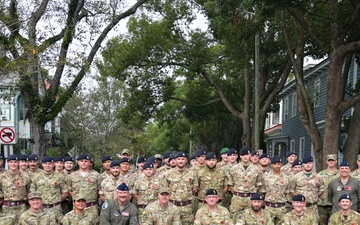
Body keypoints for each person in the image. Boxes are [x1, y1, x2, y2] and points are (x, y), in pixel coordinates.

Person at [162, 151, 198, 225]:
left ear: (186, 160)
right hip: (172, 206)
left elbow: (195, 188)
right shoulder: (168, 174)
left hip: (187, 207)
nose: (181, 161)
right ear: (175, 160)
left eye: (182, 159)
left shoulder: (192, 173)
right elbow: (164, 190)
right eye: (178, 159)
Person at [30, 156, 68, 223]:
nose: (47, 165)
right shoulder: (36, 177)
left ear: (53, 165)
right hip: (41, 208)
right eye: (45, 163)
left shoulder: (59, 177)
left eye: (49, 163)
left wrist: (57, 201)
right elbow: (32, 192)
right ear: (42, 164)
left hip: (55, 208)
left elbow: (65, 192)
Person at [228, 146, 263, 217]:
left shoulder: (257, 169)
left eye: (247, 155)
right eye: (243, 155)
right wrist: (236, 193)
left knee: (250, 218)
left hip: (250, 198)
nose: (245, 157)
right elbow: (230, 184)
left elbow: (259, 183)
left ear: (250, 155)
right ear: (240, 156)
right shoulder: (234, 169)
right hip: (237, 198)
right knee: (234, 218)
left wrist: (253, 192)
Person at [289, 155, 324, 221]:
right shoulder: (296, 177)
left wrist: (314, 196)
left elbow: (321, 190)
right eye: (306, 163)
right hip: (300, 207)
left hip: (313, 207)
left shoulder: (318, 177)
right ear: (303, 165)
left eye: (310, 163)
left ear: (313, 164)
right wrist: (298, 198)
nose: (308, 165)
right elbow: (291, 191)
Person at [68, 154, 101, 223]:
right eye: (81, 161)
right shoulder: (72, 175)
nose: (83, 163)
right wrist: (76, 199)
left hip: (91, 207)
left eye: (86, 161)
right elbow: (70, 189)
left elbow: (99, 190)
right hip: (77, 207)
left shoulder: (96, 175)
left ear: (89, 163)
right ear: (78, 162)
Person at [0, 154, 31, 222]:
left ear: (18, 163)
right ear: (7, 163)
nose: (13, 164)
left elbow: (30, 192)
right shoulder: (2, 177)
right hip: (6, 208)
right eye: (11, 162)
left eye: (15, 162)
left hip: (21, 207)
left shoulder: (25, 177)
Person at [263, 156, 289, 225]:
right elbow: (263, 190)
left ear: (281, 164)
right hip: (269, 207)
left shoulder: (286, 178)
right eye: (275, 164)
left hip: (281, 208)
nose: (277, 166)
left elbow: (286, 192)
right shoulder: (266, 176)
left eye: (279, 164)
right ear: (271, 165)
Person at [317, 154, 339, 225]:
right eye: (329, 160)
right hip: (322, 204)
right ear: (326, 162)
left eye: (333, 160)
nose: (331, 162)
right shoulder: (320, 174)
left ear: (336, 161)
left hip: (335, 204)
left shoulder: (340, 174)